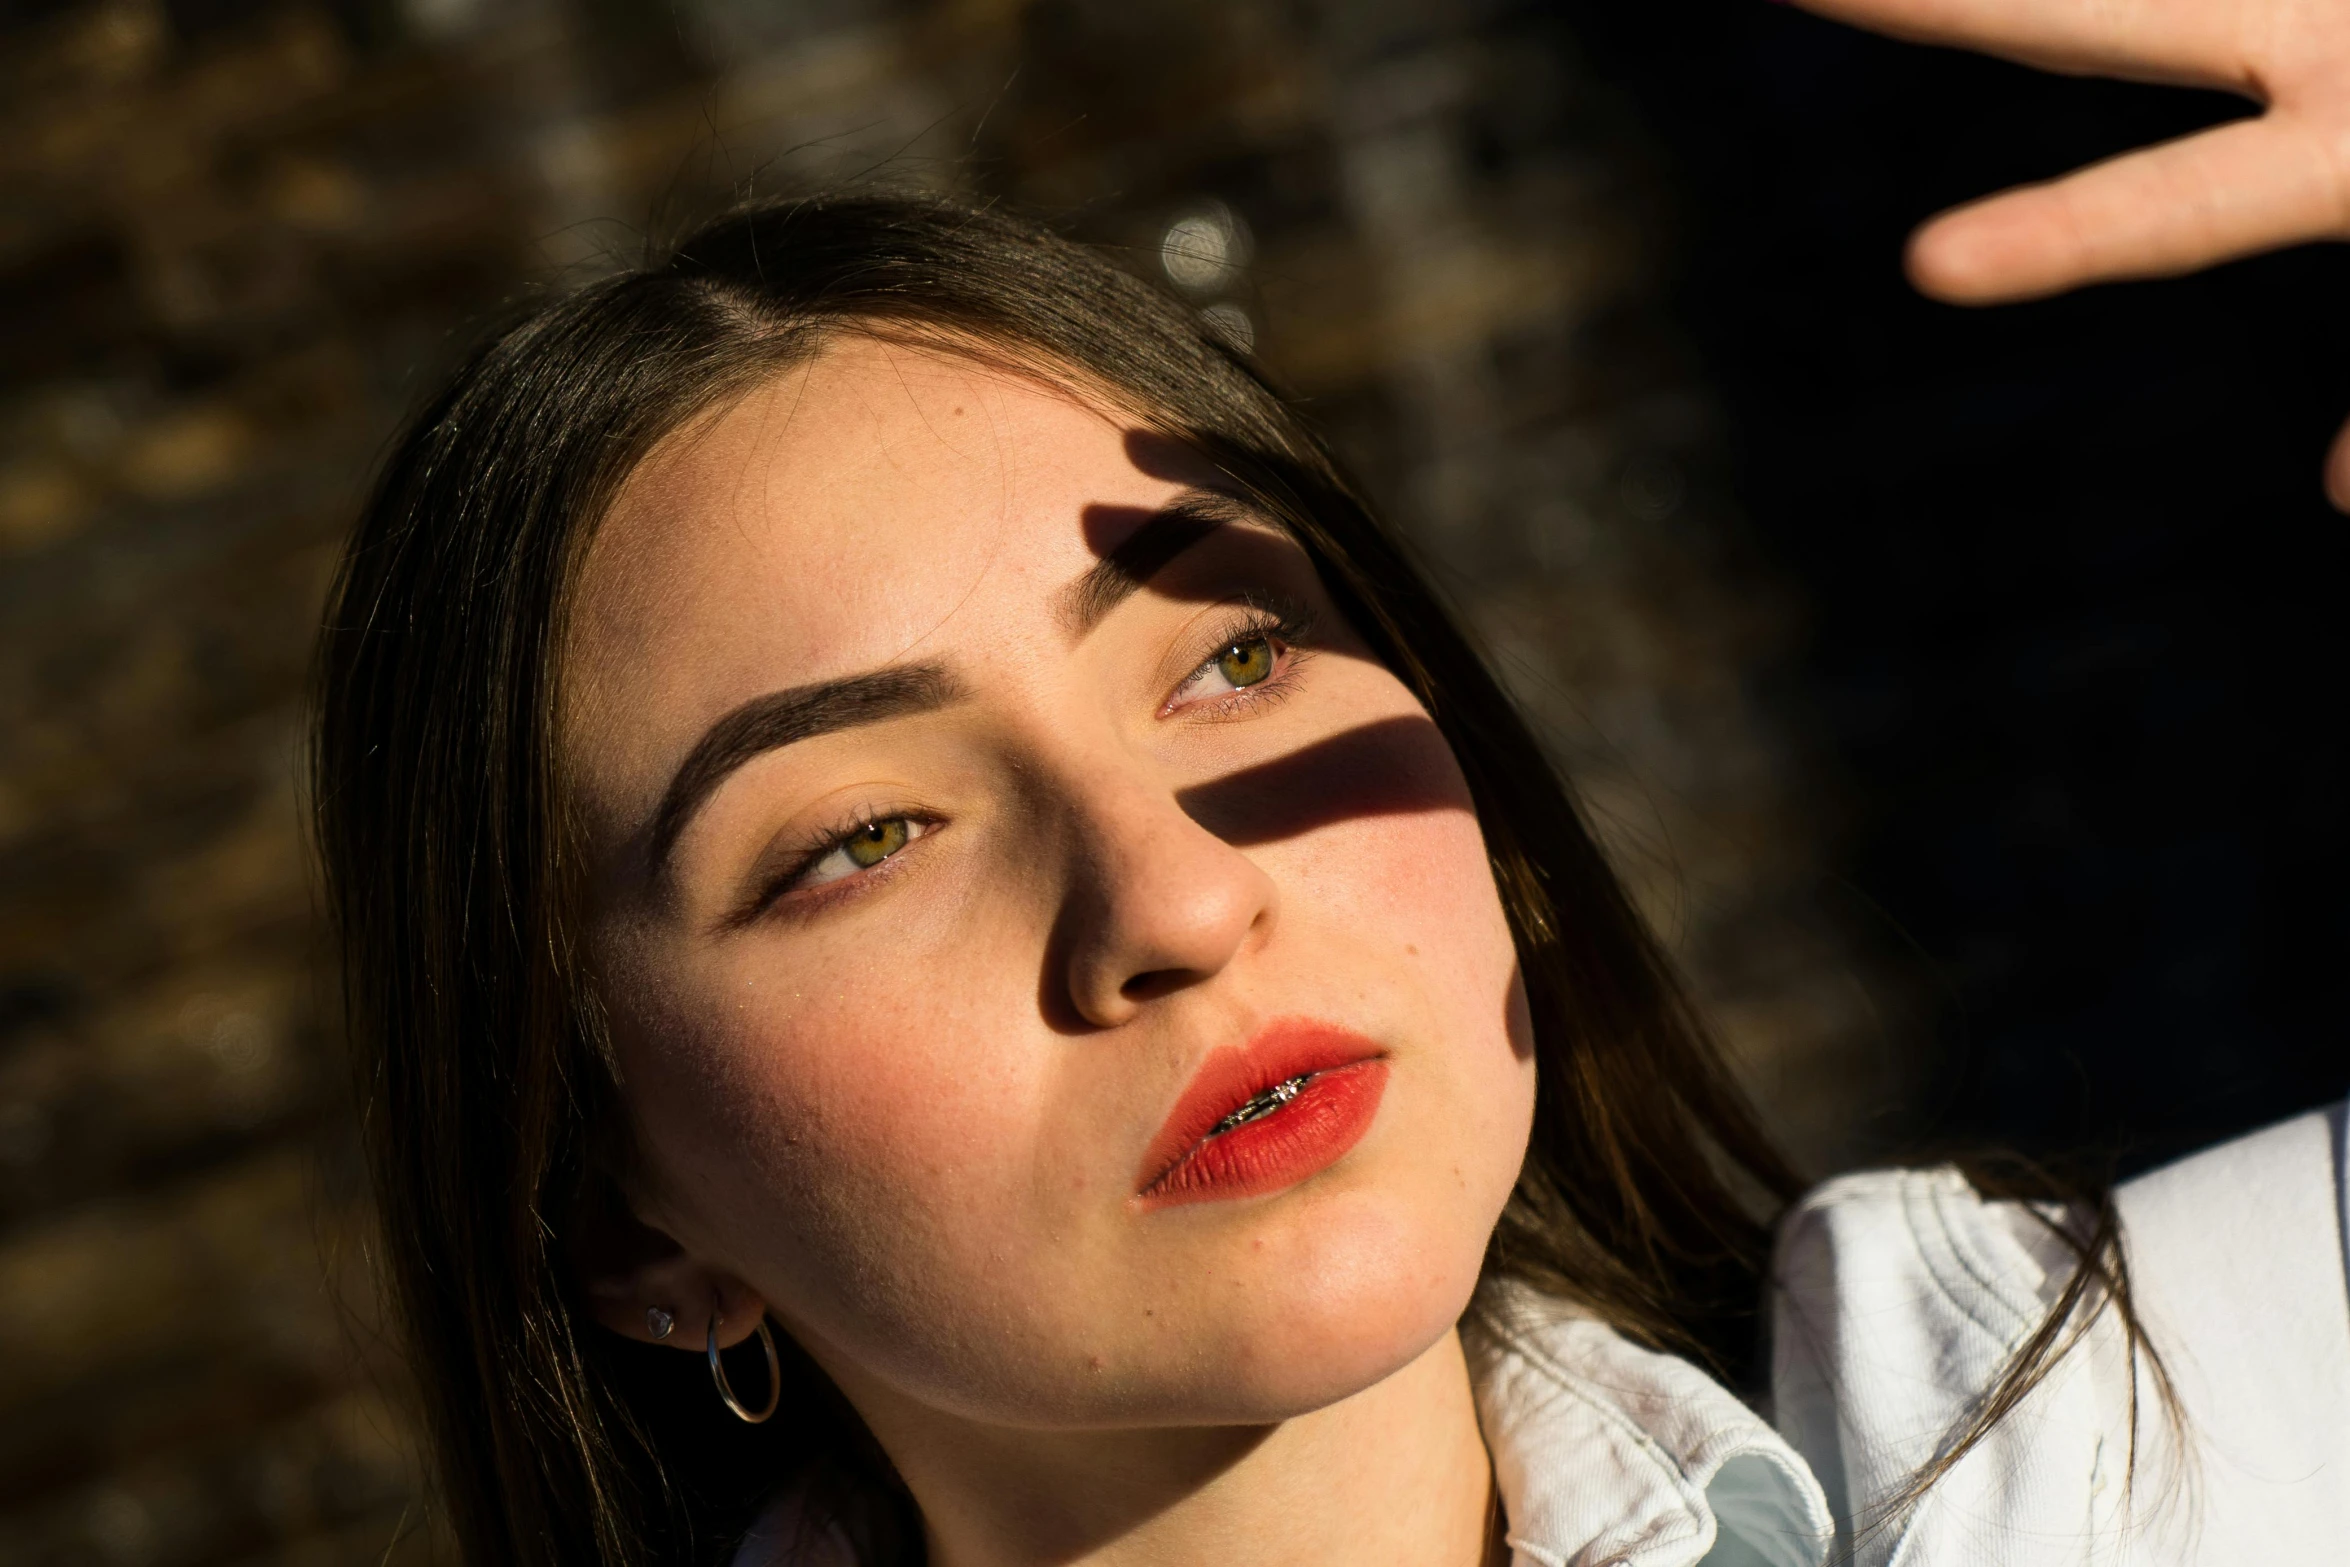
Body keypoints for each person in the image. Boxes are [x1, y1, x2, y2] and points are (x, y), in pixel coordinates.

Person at [307, 5, 2350, 1565]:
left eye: (1234, 662)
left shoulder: (2162, 1425)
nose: (1175, 903)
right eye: (863, 836)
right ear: (612, 1220)